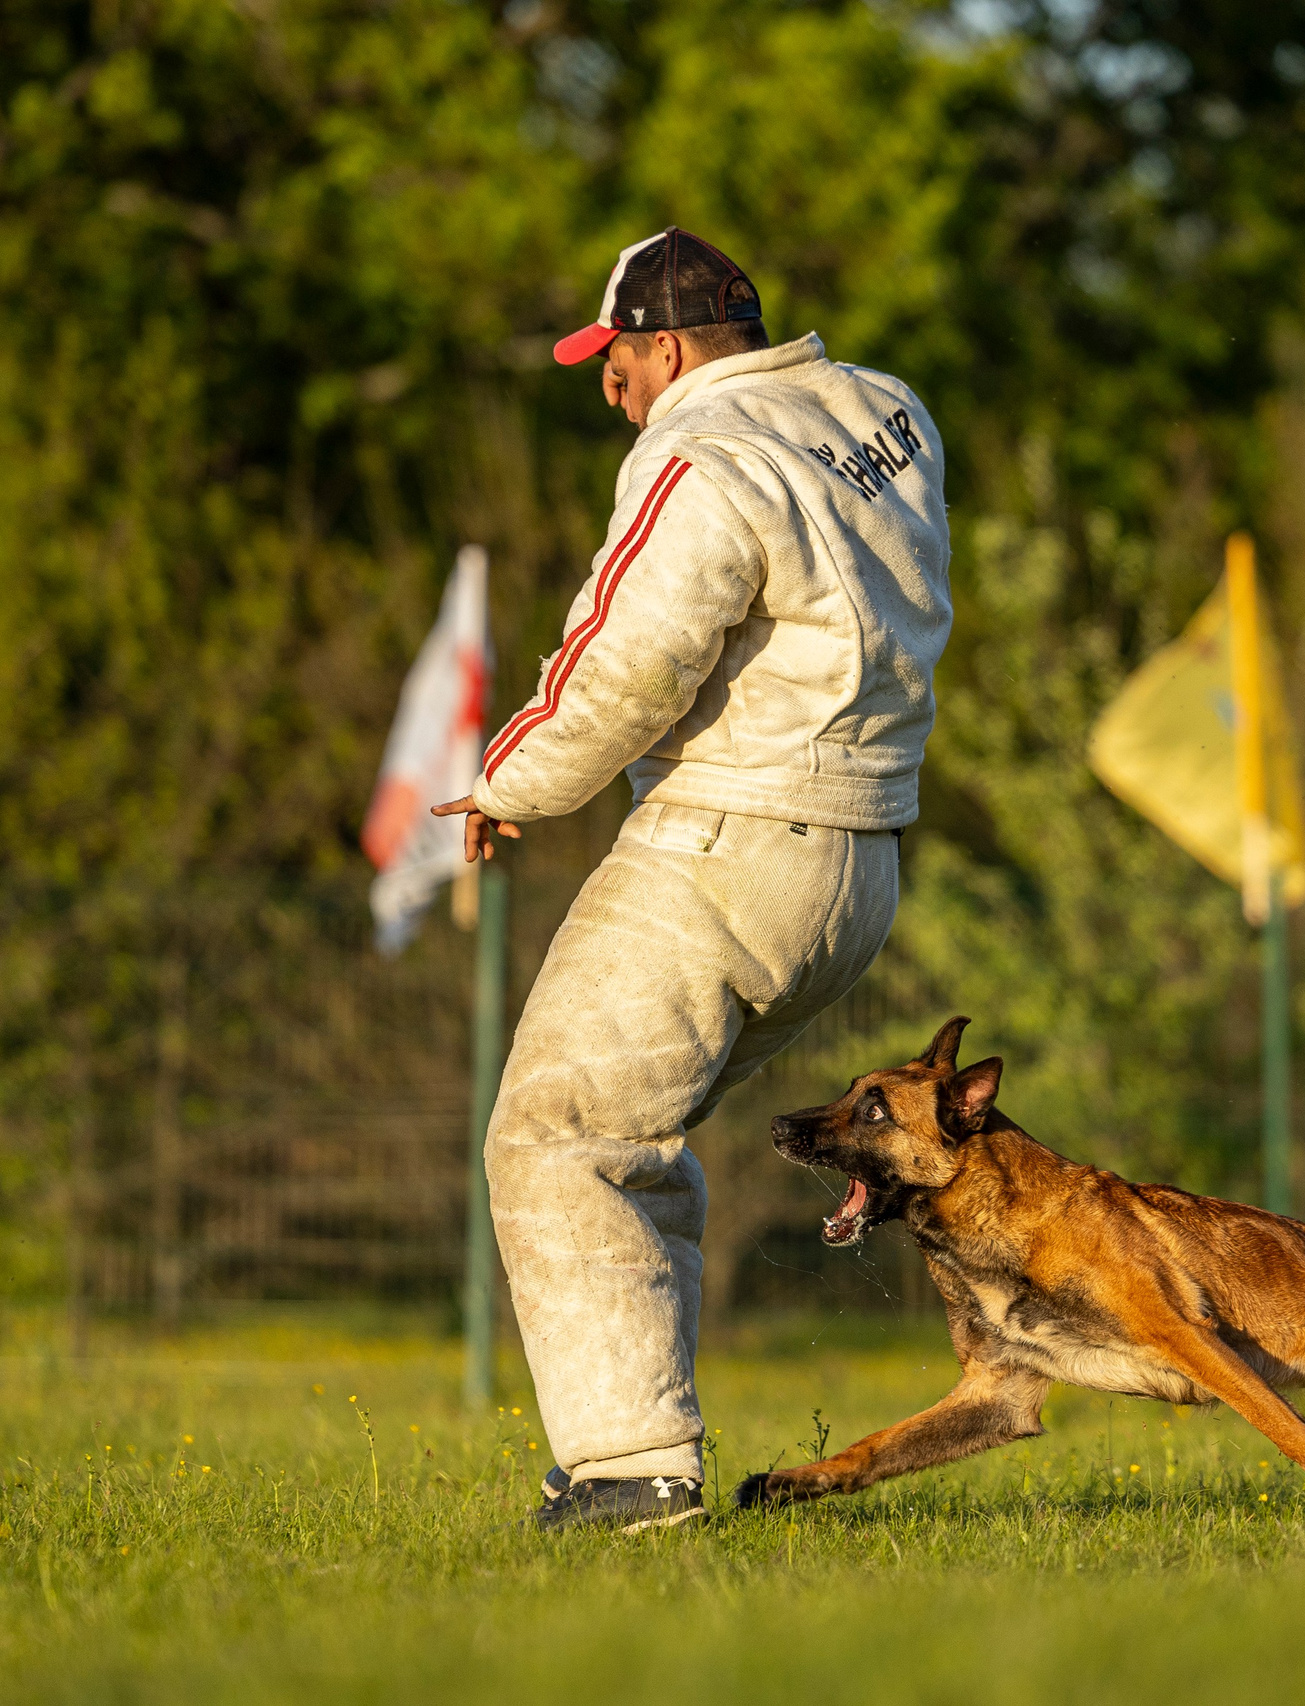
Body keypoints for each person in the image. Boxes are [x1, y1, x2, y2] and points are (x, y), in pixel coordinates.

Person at [431, 228, 952, 1533]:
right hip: (862, 863)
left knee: (554, 1136)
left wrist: (506, 781)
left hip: (727, 842)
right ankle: (633, 1443)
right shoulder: (889, 414)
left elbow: (627, 659)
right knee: (627, 1132)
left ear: (664, 347)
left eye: (612, 358)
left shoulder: (697, 452)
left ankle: (630, 1471)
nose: (606, 385)